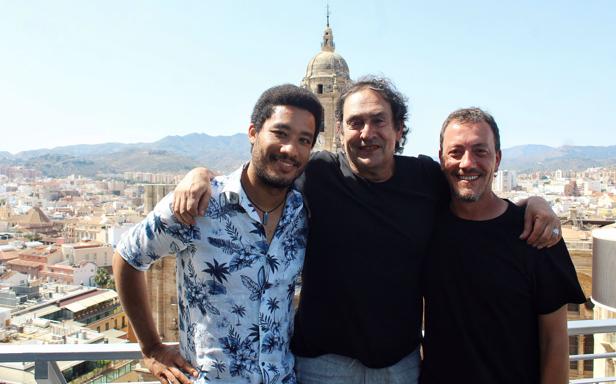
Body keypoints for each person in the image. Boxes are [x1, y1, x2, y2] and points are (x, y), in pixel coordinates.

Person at [172, 76, 562, 383]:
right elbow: (264, 169)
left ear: (398, 130)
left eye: (379, 121)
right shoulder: (316, 172)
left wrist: (535, 204)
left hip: (400, 364)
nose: (367, 132)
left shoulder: (425, 176)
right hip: (322, 364)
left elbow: (473, 187)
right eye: (355, 122)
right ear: (340, 130)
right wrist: (200, 175)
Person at [113, 84, 323, 384]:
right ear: (253, 132)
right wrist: (151, 348)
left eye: (304, 140)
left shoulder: (304, 213)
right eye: (280, 133)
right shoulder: (199, 204)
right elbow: (128, 256)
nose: (291, 149)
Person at [420, 108, 585, 384]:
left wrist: (537, 202)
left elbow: (554, 341)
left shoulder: (536, 234)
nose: (467, 163)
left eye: (480, 152)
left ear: (497, 159)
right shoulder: (425, 227)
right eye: (456, 152)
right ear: (441, 159)